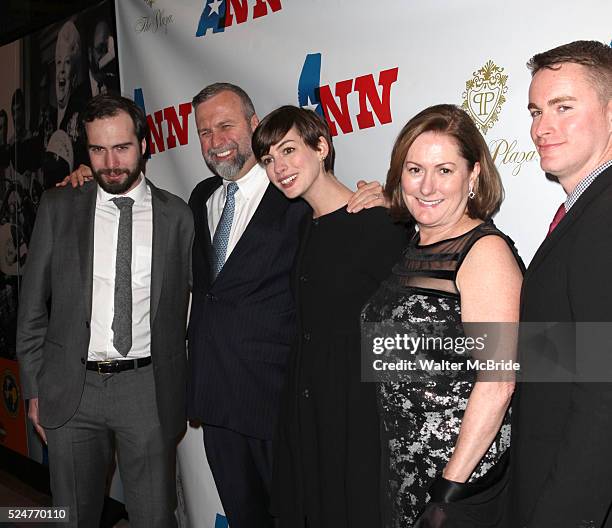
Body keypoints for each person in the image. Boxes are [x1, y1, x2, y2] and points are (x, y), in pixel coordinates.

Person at [60, 83, 385, 528]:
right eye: (204, 132)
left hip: (279, 403)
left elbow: (343, 231)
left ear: (255, 125)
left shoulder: (294, 195)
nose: (215, 141)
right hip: (217, 405)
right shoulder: (197, 199)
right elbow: (137, 201)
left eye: (226, 125)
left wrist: (383, 199)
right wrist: (91, 174)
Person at [16, 94, 194, 528]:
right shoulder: (60, 207)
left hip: (147, 389)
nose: (110, 162)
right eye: (97, 150)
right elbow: (32, 307)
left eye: (121, 148)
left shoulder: (178, 216)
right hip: (70, 389)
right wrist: (34, 387)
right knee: (71, 516)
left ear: (144, 146)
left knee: (155, 517)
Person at [361, 104, 524, 527]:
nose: (427, 185)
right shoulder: (416, 246)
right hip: (403, 470)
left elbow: (498, 383)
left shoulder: (484, 253)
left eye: (445, 170)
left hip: (460, 482)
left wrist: (447, 493)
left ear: (473, 176)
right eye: (415, 169)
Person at [251, 105, 408, 527]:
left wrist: (401, 205)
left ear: (322, 147)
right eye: (268, 160)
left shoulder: (380, 222)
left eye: (288, 150)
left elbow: (409, 323)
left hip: (357, 415)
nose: (278, 167)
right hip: (308, 410)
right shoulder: (304, 225)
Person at [510, 40, 612, 527]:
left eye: (563, 107)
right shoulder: (583, 213)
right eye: (535, 110)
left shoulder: (605, 215)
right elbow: (572, 352)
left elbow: (604, 394)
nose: (540, 127)